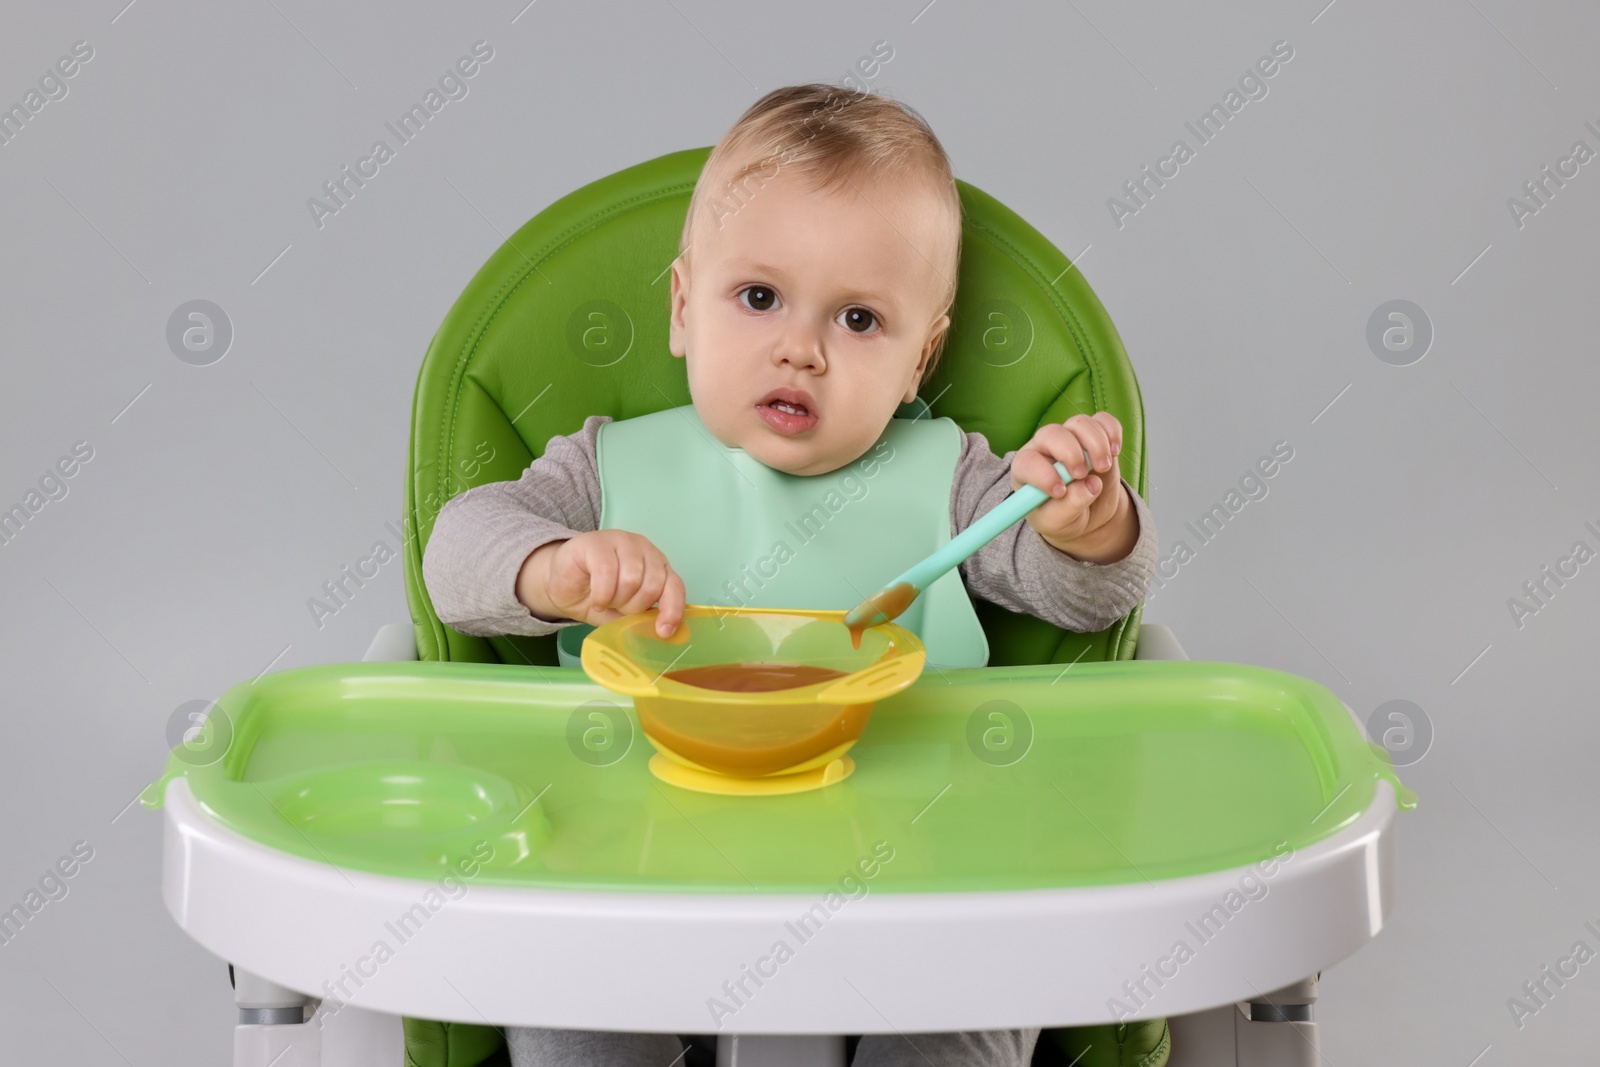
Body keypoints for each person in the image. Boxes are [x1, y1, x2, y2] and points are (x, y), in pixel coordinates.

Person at [423, 82, 1159, 1067]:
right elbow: (456, 552)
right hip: (628, 871)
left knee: (977, 994)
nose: (800, 348)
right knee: (563, 993)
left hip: (923, 872)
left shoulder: (953, 481)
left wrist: (1087, 522)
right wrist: (552, 567)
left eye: (858, 319)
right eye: (758, 297)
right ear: (684, 308)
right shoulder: (606, 470)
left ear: (918, 358)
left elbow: (1082, 594)